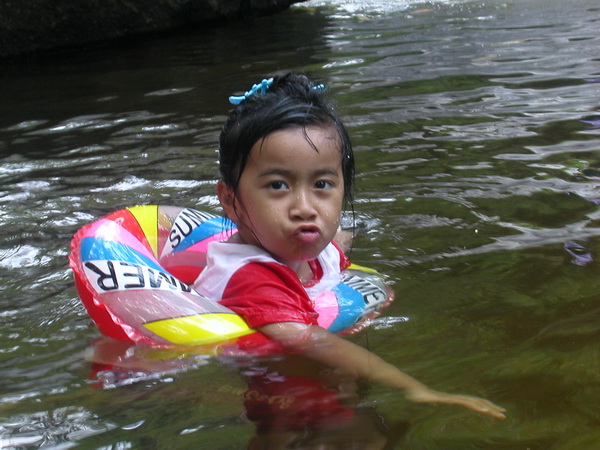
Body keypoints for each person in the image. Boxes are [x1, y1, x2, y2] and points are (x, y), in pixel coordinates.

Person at [193, 72, 506, 420]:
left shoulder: (309, 245)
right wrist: (413, 387)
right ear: (230, 199)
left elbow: (336, 246)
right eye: (278, 185)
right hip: (275, 391)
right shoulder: (251, 279)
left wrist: (343, 235)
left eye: (322, 184)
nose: (305, 208)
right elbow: (312, 341)